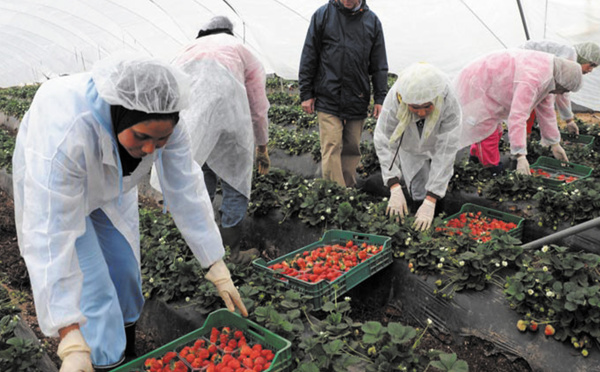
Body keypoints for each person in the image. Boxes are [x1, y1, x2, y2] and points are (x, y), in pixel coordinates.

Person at [12, 56, 247, 371]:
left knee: (125, 272)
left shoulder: (167, 124)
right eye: (142, 137)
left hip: (110, 186)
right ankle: (105, 360)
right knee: (94, 289)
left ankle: (126, 353)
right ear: (121, 116)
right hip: (60, 191)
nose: (151, 149)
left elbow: (186, 189)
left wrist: (215, 263)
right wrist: (69, 335)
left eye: (160, 139)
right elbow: (50, 234)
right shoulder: (67, 131)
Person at [150, 16, 270, 265]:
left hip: (193, 122)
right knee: (235, 182)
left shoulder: (185, 51)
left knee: (200, 178)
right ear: (230, 32)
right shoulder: (241, 50)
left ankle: (201, 249)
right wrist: (262, 146)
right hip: (231, 120)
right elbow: (258, 106)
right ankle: (231, 252)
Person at [299, 0, 388, 187]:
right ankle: (335, 195)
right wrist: (306, 92)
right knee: (331, 145)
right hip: (328, 94)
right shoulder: (323, 15)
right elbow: (310, 54)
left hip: (358, 95)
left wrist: (380, 97)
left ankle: (348, 189)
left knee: (352, 147)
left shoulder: (372, 21)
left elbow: (379, 64)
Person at [455, 49, 583, 176]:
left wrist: (554, 142)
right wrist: (520, 155)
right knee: (486, 131)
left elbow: (546, 111)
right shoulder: (532, 80)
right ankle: (490, 170)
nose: (561, 93)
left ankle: (476, 160)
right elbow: (518, 117)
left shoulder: (549, 77)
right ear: (561, 82)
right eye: (564, 90)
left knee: (496, 131)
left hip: (492, 84)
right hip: (478, 83)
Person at [374, 63, 462, 231]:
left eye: (427, 106)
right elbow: (383, 138)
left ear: (436, 99)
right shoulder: (396, 98)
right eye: (415, 107)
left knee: (434, 190)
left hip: (438, 140)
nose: (421, 113)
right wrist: (393, 184)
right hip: (410, 145)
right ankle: (419, 225)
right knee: (418, 183)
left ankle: (435, 220)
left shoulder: (448, 98)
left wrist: (432, 198)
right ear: (404, 100)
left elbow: (446, 150)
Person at [519, 40, 600, 135]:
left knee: (534, 105)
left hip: (529, 72)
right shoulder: (568, 59)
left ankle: (523, 135)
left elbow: (561, 92)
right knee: (524, 108)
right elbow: (562, 93)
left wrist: (569, 120)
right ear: (583, 58)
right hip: (522, 64)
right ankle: (520, 137)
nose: (590, 70)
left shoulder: (569, 63)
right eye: (591, 65)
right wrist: (568, 120)